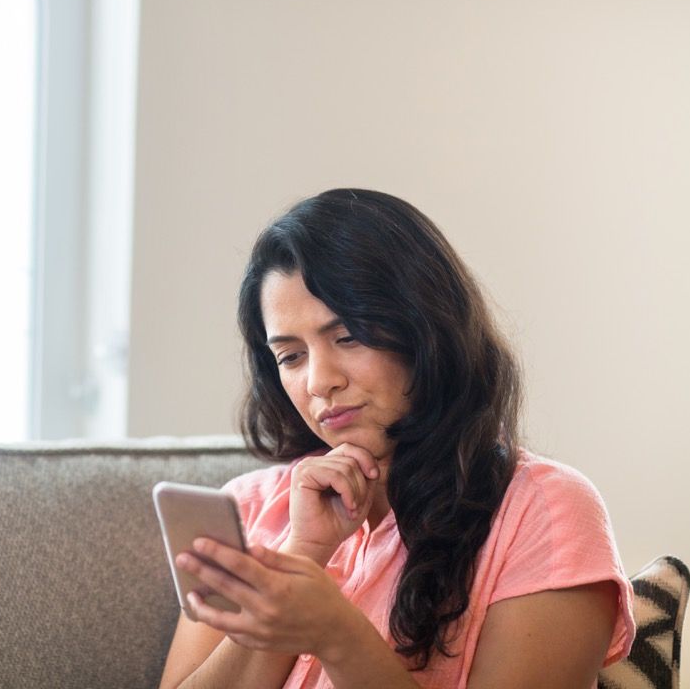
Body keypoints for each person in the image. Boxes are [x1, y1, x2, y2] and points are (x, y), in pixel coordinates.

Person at [159, 188, 635, 689]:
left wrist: (337, 635)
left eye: (347, 337)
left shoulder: (545, 511)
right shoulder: (249, 508)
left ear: (426, 329)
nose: (320, 381)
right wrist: (303, 553)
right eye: (291, 356)